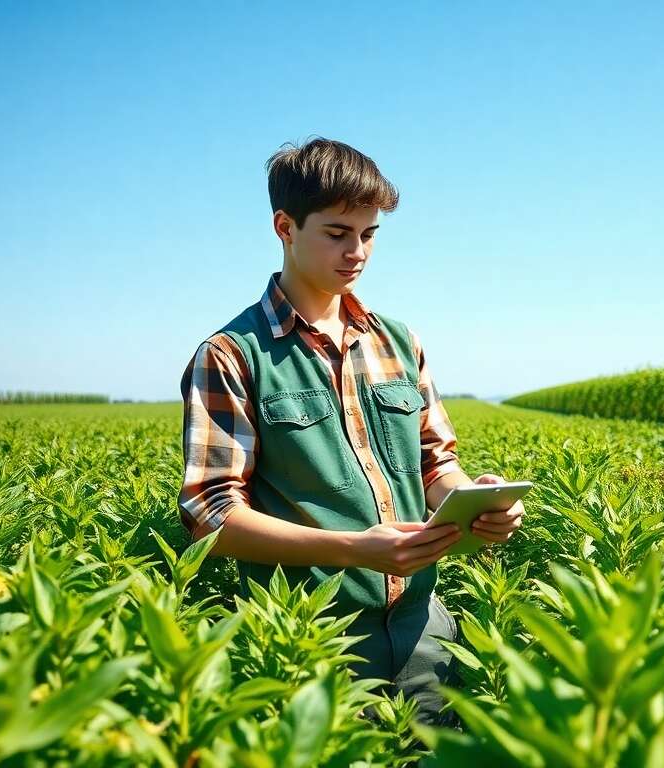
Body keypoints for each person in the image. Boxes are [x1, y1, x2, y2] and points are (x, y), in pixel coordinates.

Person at [176, 136, 524, 724]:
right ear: (285, 227)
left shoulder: (397, 341)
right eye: (337, 234)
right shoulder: (233, 355)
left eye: (369, 235)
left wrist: (473, 504)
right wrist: (353, 550)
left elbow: (435, 463)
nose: (356, 251)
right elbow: (209, 514)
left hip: (423, 629)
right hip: (311, 641)